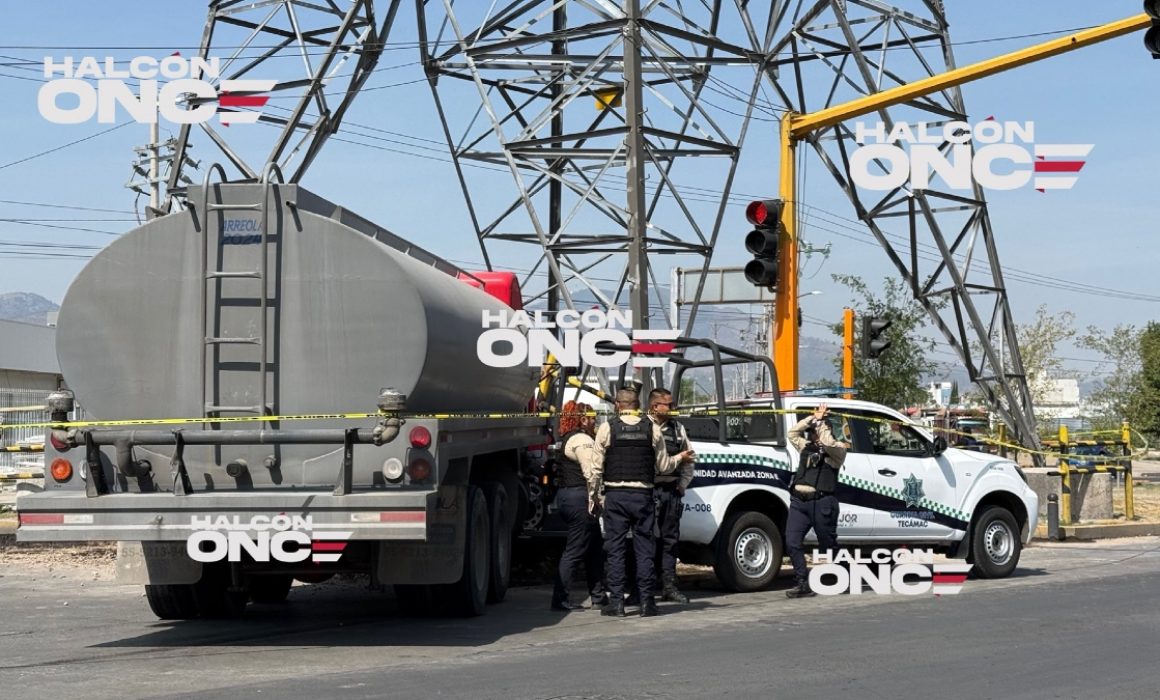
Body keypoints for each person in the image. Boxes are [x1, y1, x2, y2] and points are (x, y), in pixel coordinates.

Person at [592, 387, 694, 617]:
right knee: (645, 549)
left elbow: (595, 469)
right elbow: (665, 466)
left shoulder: (608, 427)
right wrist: (679, 458)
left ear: (618, 405)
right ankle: (647, 602)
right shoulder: (653, 430)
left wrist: (594, 497)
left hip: (616, 495)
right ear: (639, 405)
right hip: (643, 496)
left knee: (616, 550)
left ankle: (617, 603)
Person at [784, 403, 849, 599]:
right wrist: (812, 419)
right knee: (792, 542)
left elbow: (828, 444)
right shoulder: (806, 447)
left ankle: (845, 574)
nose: (813, 434)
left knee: (827, 545)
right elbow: (792, 433)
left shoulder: (838, 450)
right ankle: (802, 582)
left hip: (822, 503)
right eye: (812, 431)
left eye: (817, 431)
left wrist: (821, 424)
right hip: (799, 503)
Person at [551, 401, 605, 611]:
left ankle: (599, 596)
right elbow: (591, 472)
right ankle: (560, 598)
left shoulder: (568, 438)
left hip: (569, 496)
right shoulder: (582, 440)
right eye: (592, 418)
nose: (595, 421)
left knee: (594, 549)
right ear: (582, 419)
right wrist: (595, 498)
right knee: (575, 550)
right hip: (580, 498)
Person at [647, 388, 694, 605]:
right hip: (647, 492)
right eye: (669, 404)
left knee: (669, 541)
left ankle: (669, 586)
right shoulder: (643, 426)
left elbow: (690, 459)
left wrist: (682, 485)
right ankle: (643, 589)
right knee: (644, 542)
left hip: (670, 493)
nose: (673, 408)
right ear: (655, 406)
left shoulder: (677, 428)